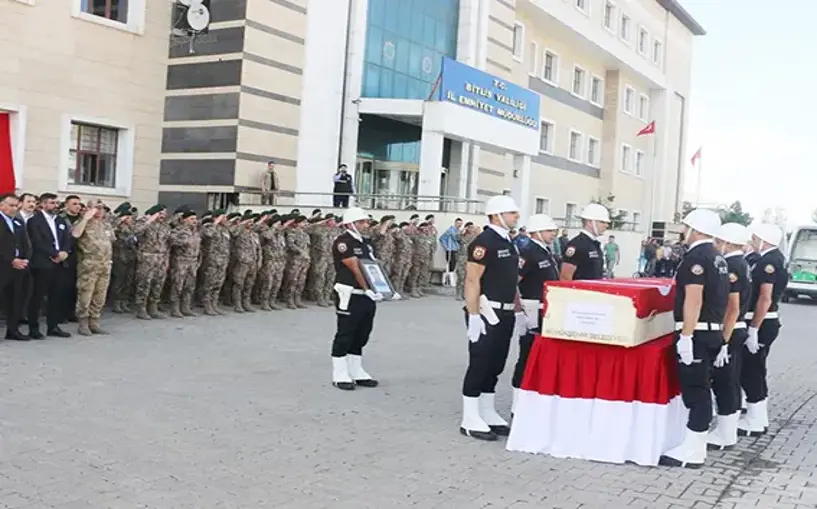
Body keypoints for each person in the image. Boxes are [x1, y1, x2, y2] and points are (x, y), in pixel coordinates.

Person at [660, 209, 729, 468]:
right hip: (710, 330)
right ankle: (695, 445)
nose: (682, 231)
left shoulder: (696, 258)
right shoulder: (717, 257)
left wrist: (686, 336)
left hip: (697, 331)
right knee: (701, 389)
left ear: (696, 230)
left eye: (685, 226)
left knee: (696, 391)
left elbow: (694, 299)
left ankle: (693, 450)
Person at [460, 195, 528, 441]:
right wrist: (474, 314)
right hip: (487, 312)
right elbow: (472, 280)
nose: (516, 216)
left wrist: (519, 311)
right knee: (480, 362)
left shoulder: (510, 243)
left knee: (496, 363)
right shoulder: (483, 242)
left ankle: (487, 412)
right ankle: (469, 417)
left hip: (506, 311)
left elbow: (512, 282)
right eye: (512, 213)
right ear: (497, 215)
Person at [739, 223, 787, 437]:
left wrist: (753, 329)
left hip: (763, 321)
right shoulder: (776, 258)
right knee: (757, 368)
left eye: (755, 237)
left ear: (763, 239)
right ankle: (758, 415)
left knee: (751, 370)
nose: (752, 240)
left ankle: (755, 419)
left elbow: (765, 298)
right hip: (766, 321)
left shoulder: (768, 262)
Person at [330, 207, 387, 391]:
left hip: (366, 294)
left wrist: (383, 288)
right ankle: (340, 373)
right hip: (350, 293)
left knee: (362, 332)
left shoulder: (366, 243)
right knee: (345, 332)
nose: (365, 225)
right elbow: (354, 267)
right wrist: (366, 288)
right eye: (361, 222)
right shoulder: (343, 242)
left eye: (366, 222)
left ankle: (356, 370)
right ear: (350, 224)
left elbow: (372, 266)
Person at [707, 223, 752, 450]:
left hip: (731, 329)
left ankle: (725, 434)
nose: (716, 245)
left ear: (727, 242)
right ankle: (727, 431)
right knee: (731, 381)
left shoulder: (732, 266)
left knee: (724, 382)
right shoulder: (741, 264)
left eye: (718, 241)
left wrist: (723, 340)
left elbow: (732, 308)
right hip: (737, 328)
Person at [511, 214, 559, 414]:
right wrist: (519, 312)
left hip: (545, 310)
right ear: (536, 232)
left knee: (540, 356)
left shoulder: (545, 252)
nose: (553, 234)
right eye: (549, 231)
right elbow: (513, 282)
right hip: (532, 309)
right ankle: (517, 403)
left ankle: (532, 399)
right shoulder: (528, 252)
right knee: (527, 355)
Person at [26, 192, 73, 339]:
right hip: (42, 263)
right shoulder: (34, 221)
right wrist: (54, 253)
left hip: (60, 264)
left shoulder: (59, 220)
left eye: (56, 202)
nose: (55, 205)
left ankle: (53, 326)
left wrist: (65, 251)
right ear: (43, 204)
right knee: (38, 297)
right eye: (51, 203)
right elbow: (37, 241)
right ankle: (34, 328)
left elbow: (67, 238)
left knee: (56, 296)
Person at [71, 201, 115, 336]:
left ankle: (94, 322)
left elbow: (112, 240)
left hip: (105, 264)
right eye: (97, 208)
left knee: (100, 295)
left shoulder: (106, 224)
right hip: (89, 265)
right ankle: (83, 323)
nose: (101, 211)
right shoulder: (82, 222)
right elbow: (75, 234)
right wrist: (86, 218)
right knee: (85, 294)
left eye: (103, 209)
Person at [0, 193, 32, 341]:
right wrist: (11, 259)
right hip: (3, 266)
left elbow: (25, 243)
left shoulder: (18, 222)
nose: (14, 209)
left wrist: (25, 259)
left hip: (19, 267)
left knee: (16, 299)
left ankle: (13, 330)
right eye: (11, 205)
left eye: (16, 206)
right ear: (2, 205)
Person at [133, 205, 172, 320]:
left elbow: (168, 244)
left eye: (164, 213)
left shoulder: (165, 226)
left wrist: (167, 259)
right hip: (147, 258)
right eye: (161, 213)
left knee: (158, 284)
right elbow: (136, 231)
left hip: (161, 258)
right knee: (144, 283)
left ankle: (153, 307)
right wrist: (149, 220)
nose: (163, 215)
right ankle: (141, 309)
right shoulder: (144, 222)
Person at [560, 203, 609, 281]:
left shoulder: (594, 244)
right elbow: (565, 277)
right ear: (589, 222)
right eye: (602, 222)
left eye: (607, 222)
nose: (606, 225)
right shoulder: (577, 244)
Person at [168, 210, 201, 318]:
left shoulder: (195, 231)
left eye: (195, 219)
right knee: (178, 285)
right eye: (192, 219)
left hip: (193, 261)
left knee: (189, 286)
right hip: (181, 261)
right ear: (185, 219)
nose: (194, 221)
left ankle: (185, 307)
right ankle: (175, 308)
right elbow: (172, 241)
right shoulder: (178, 230)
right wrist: (184, 241)